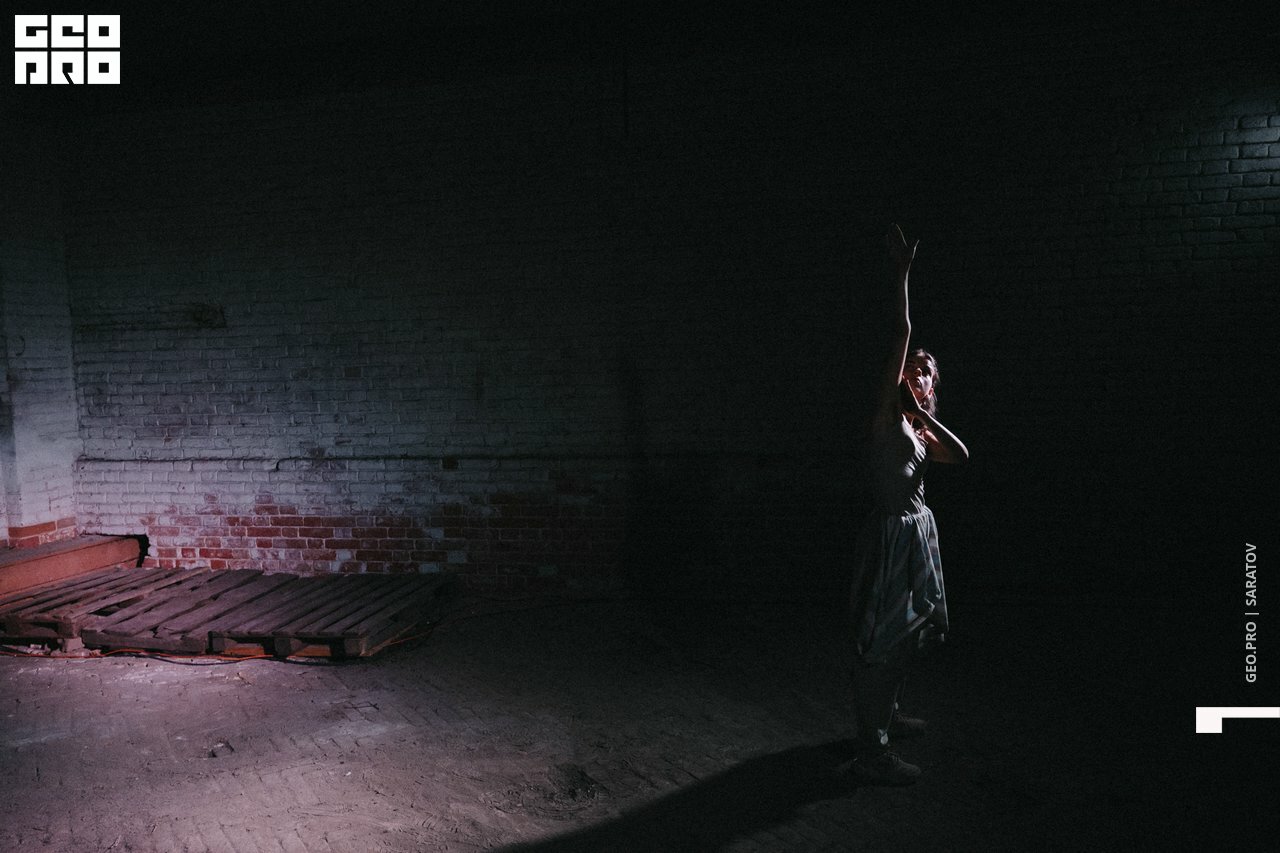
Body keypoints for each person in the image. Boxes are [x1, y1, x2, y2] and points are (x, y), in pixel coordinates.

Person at [844, 224, 969, 786]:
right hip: (892, 537)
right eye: (913, 368)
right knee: (883, 645)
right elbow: (902, 330)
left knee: (911, 638)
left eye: (927, 372)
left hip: (919, 533)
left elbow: (960, 455)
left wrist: (924, 415)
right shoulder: (887, 420)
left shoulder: (919, 431)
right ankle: (871, 753)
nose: (919, 374)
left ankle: (889, 717)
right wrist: (902, 274)